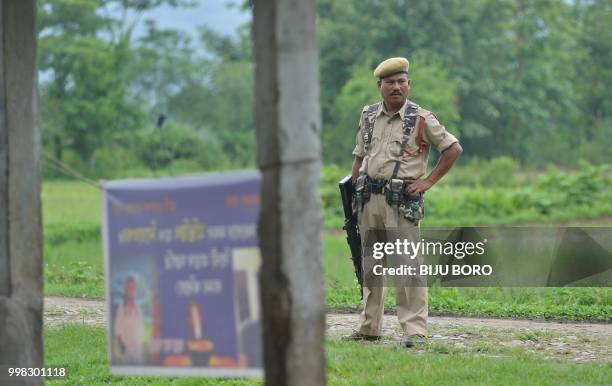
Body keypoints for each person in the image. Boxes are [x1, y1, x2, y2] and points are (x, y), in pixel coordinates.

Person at [346, 57, 462, 347]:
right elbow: (360, 156)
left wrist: (427, 182)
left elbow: (452, 149)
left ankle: (415, 331)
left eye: (401, 82)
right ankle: (369, 327)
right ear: (380, 87)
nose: (396, 87)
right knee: (371, 266)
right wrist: (352, 196)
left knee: (407, 266)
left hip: (401, 201)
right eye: (390, 82)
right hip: (368, 199)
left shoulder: (421, 119)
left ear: (409, 85)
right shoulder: (369, 115)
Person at [114, 275, 145, 363]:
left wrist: (140, 343)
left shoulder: (137, 308)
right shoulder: (122, 308)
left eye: (133, 288)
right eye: (129, 288)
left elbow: (141, 327)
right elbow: (118, 328)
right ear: (125, 290)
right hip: (125, 347)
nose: (131, 291)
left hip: (137, 347)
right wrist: (121, 345)